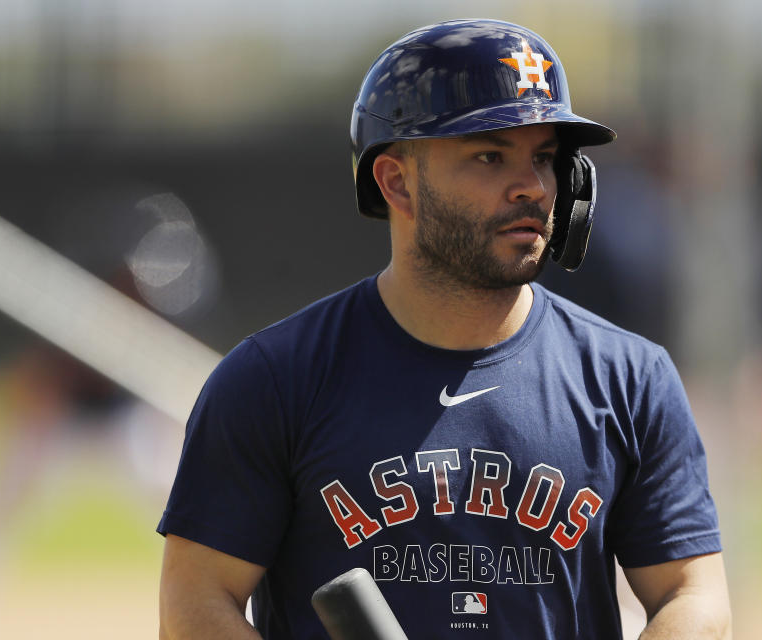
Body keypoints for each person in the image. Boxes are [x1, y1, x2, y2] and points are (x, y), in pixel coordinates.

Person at [158, 19, 731, 640]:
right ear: (397, 181)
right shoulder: (274, 380)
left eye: (544, 158)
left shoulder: (630, 379)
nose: (533, 187)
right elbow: (196, 606)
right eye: (490, 155)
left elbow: (692, 594)